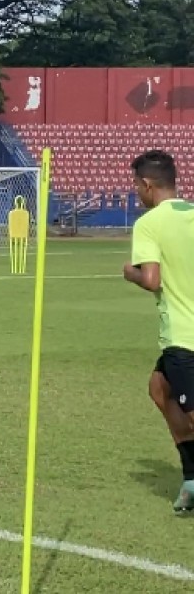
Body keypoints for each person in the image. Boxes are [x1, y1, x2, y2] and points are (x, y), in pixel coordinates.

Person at [123, 149, 194, 512]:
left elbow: (152, 280)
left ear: (148, 185)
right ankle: (191, 476)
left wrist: (129, 272)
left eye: (137, 185)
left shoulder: (149, 224)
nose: (136, 193)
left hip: (185, 337)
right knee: (159, 388)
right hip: (182, 338)